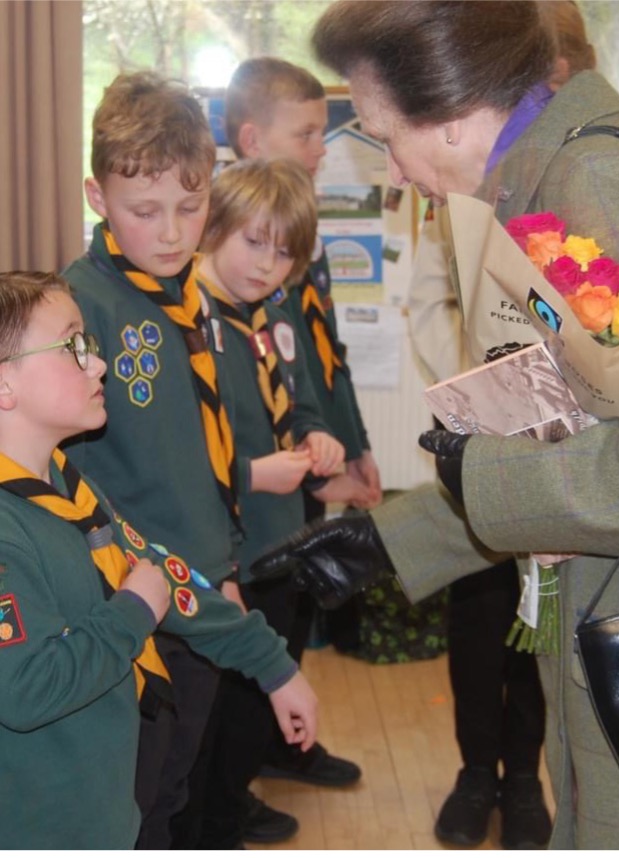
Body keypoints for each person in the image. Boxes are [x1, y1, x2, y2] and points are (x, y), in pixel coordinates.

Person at [254, 1, 619, 850]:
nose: (391, 171)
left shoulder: (594, 181)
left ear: (454, 119)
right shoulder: (550, 180)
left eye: (385, 136)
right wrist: (388, 541)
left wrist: (489, 481)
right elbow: (588, 438)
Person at [62, 70, 314, 850]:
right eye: (145, 211)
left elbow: (200, 459)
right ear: (96, 197)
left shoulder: (193, 300)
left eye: (191, 206)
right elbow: (87, 492)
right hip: (129, 604)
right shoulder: (80, 310)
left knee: (175, 793)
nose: (172, 233)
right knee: (133, 806)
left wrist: (226, 566)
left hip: (203, 590)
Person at [0, 271, 317, 849]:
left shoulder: (74, 492)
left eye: (89, 344)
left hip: (103, 812)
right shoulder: (9, 532)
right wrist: (130, 614)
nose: (96, 363)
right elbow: (23, 690)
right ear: (4, 386)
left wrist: (273, 665)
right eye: (73, 346)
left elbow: (170, 581)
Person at [406, 2, 594, 848]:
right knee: (481, 618)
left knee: (544, 622)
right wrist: (480, 389)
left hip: (570, 452)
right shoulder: (463, 188)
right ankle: (475, 768)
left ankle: (526, 777)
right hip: (484, 433)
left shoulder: (592, 179)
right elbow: (428, 300)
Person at [182, 157, 349, 847]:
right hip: (220, 546)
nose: (268, 266)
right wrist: (252, 473)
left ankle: (231, 807)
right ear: (214, 225)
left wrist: (317, 434)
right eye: (254, 242)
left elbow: (300, 392)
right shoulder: (187, 318)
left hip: (279, 539)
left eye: (284, 254)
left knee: (258, 703)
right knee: (213, 709)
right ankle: (207, 823)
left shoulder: (271, 310)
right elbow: (177, 452)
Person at [224, 56, 378, 790]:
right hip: (252, 476)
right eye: (307, 132)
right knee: (258, 612)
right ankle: (244, 765)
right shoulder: (237, 247)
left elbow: (321, 356)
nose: (322, 146)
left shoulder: (294, 229)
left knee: (291, 605)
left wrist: (354, 444)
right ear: (252, 139)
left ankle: (282, 744)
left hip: (305, 445)